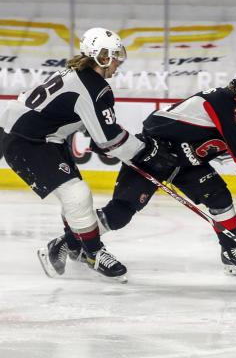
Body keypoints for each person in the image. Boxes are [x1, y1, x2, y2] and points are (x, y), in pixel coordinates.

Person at [40, 75, 236, 278]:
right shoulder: (225, 103)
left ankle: (230, 251)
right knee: (120, 214)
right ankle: (68, 241)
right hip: (152, 156)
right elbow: (153, 124)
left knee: (219, 196)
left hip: (187, 166)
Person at [0, 27, 175, 281]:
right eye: (114, 57)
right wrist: (145, 152)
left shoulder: (78, 75)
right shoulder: (94, 87)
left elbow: (86, 123)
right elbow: (110, 140)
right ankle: (93, 252)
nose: (117, 63)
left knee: (75, 194)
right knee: (77, 194)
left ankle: (73, 247)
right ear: (101, 56)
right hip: (27, 141)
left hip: (40, 136)